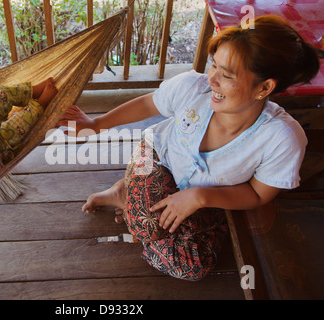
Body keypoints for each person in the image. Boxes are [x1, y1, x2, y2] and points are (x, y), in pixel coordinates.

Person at [56, 15, 320, 281]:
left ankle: (133, 197)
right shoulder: (192, 88)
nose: (212, 80)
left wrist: (199, 198)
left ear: (264, 87)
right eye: (213, 66)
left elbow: (257, 194)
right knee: (148, 226)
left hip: (211, 195)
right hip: (159, 158)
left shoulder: (283, 138)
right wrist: (96, 123)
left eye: (226, 75)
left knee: (191, 267)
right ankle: (123, 192)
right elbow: (149, 105)